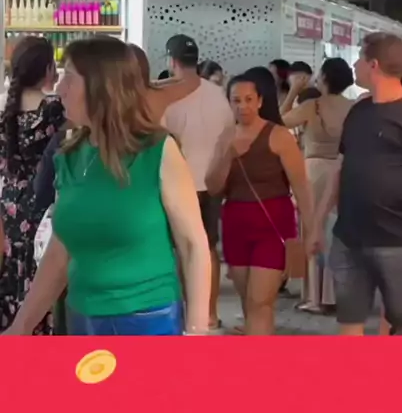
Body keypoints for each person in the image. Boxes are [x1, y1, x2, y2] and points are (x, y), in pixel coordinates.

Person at [5, 37, 211, 336]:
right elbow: (61, 250)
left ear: (101, 87)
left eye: (69, 78)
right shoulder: (70, 156)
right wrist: (21, 326)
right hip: (82, 317)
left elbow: (193, 246)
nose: (59, 88)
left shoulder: (158, 152)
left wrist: (196, 332)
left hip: (148, 320)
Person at [315, 32, 402, 336]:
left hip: (397, 241)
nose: (355, 65)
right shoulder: (358, 111)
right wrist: (317, 222)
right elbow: (340, 169)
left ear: (373, 65)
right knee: (349, 321)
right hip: (349, 237)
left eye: (359, 58)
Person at [206, 67, 314, 336]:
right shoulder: (225, 138)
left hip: (272, 224)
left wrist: (311, 231)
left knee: (260, 302)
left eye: (248, 99)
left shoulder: (278, 136)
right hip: (235, 224)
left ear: (260, 101)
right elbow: (213, 186)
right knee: (249, 302)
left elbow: (301, 186)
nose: (243, 106)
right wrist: (227, 156)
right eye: (236, 100)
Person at [161, 35, 235, 331]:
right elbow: (229, 136)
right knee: (208, 248)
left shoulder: (166, 94)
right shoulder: (218, 95)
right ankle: (210, 313)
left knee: (182, 250)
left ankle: (187, 312)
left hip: (177, 184)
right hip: (212, 183)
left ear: (172, 61)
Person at [0, 36, 64, 334]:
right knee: (43, 267)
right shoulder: (55, 110)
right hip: (43, 202)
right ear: (48, 69)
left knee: (12, 269)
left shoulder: (5, 109)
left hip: (8, 205)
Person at [282, 58, 354, 313]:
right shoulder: (353, 107)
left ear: (323, 78)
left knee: (312, 230)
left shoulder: (312, 106)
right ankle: (336, 294)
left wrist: (293, 91)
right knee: (338, 232)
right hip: (345, 169)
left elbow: (279, 121)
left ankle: (315, 297)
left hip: (314, 172)